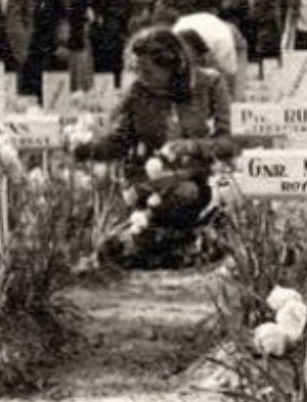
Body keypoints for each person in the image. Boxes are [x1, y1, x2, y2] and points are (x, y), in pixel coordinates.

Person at [74, 26, 235, 267]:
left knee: (185, 193)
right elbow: (119, 142)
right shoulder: (139, 93)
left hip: (195, 182)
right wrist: (82, 149)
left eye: (148, 71)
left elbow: (225, 144)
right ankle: (145, 239)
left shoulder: (210, 84)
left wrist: (191, 146)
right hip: (147, 182)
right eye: (136, 70)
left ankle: (161, 238)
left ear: (172, 66)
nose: (141, 77)